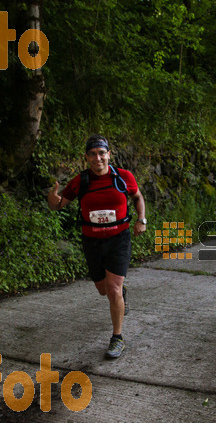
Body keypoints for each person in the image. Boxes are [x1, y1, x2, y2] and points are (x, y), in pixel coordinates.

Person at [47, 135, 147, 358]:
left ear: (108, 155)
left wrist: (141, 219)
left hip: (119, 239)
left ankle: (117, 338)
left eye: (102, 153)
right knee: (103, 290)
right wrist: (52, 199)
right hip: (92, 242)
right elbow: (59, 205)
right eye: (92, 154)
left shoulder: (122, 177)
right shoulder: (81, 181)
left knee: (113, 290)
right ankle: (122, 294)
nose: (98, 158)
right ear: (87, 157)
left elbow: (137, 197)